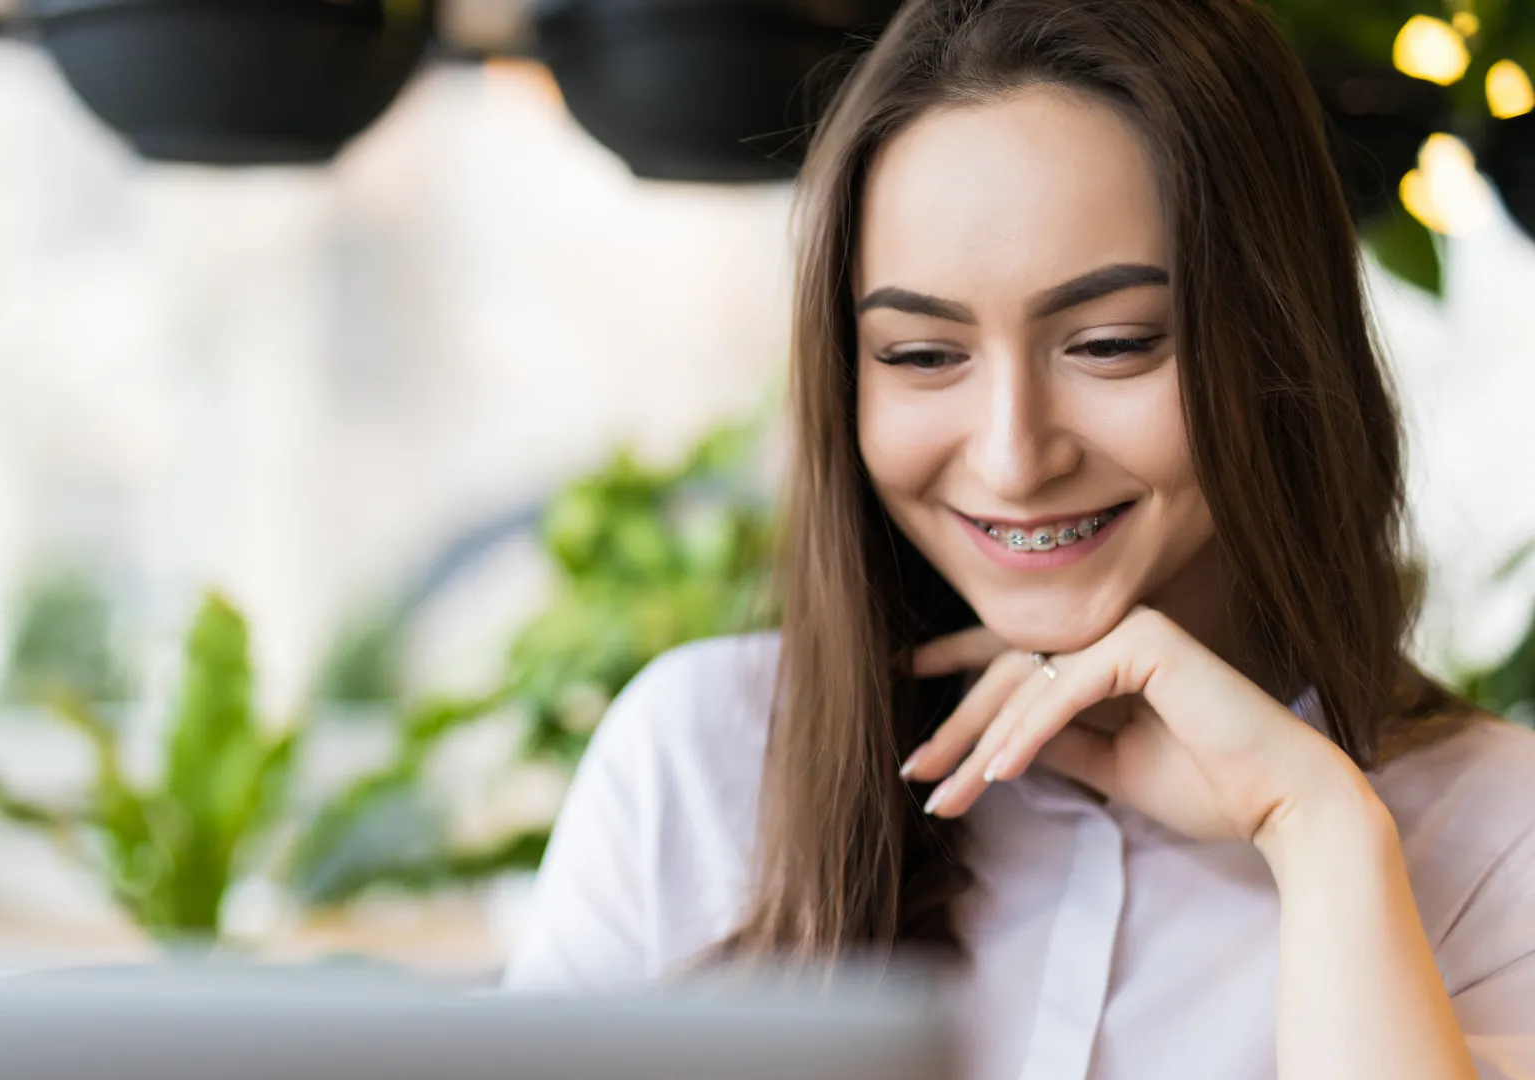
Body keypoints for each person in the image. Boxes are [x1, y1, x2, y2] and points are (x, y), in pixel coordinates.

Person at [499, 1, 1535, 1077]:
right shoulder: (698, 764)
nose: (1010, 458)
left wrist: (1317, 831)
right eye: (921, 355)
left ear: (1278, 334)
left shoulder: (1500, 832)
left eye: (1110, 343)